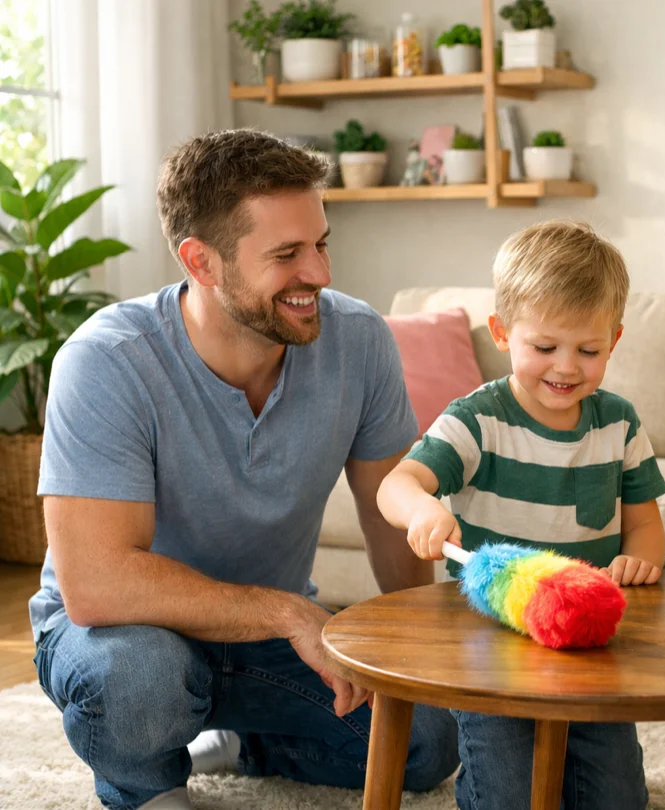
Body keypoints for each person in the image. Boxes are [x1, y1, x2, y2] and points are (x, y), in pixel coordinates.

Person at [29, 129, 459, 810]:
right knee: (139, 681)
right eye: (286, 255)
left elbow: (390, 516)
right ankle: (145, 783)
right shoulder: (107, 359)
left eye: (321, 243)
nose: (318, 273)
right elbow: (96, 584)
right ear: (201, 261)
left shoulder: (360, 340)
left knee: (428, 738)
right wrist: (288, 611)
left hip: (265, 645)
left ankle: (241, 743)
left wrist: (416, 655)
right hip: (122, 636)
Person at [377, 220, 665, 809]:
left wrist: (641, 560)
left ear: (612, 341)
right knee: (506, 790)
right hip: (492, 641)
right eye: (544, 348)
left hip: (589, 640)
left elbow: (643, 523)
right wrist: (422, 510)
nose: (566, 367)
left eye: (588, 351)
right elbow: (397, 483)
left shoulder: (619, 423)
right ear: (502, 332)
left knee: (617, 797)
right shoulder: (477, 419)